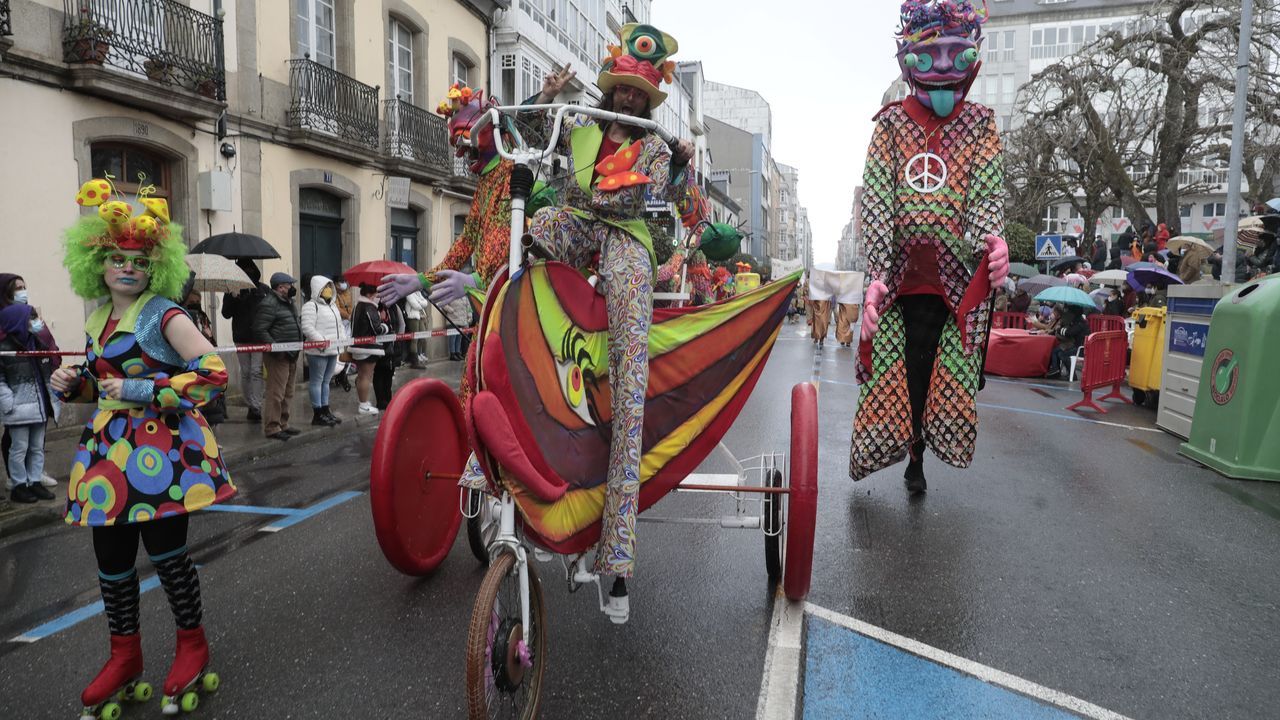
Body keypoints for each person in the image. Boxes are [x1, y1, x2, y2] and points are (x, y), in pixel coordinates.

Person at [521, 23, 694, 585]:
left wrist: (682, 162)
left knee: (629, 373)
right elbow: (522, 134)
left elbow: (667, 201)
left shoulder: (651, 143)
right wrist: (546, 95)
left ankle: (617, 549)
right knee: (536, 226)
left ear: (647, 98)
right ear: (611, 88)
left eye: (638, 90)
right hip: (578, 226)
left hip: (625, 241)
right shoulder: (580, 127)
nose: (628, 95)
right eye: (621, 86)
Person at [53, 178, 234, 714]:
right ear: (98, 265)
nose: (127, 268)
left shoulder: (166, 315)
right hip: (109, 456)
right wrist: (77, 384)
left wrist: (139, 388)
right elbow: (98, 385)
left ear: (155, 266)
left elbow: (214, 374)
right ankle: (124, 656)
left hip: (163, 456)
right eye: (116, 258)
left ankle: (192, 645)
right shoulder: (97, 318)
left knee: (167, 555)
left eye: (138, 259)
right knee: (110, 558)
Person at [853, 0, 1010, 495]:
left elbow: (985, 195)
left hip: (956, 285)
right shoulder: (890, 126)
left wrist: (994, 244)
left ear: (973, 54)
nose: (942, 66)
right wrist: (877, 274)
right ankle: (908, 450)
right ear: (907, 57)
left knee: (941, 373)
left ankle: (920, 450)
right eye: (929, 54)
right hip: (901, 281)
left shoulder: (981, 124)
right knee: (902, 371)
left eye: (955, 53)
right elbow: (877, 201)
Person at [0, 272, 60, 492]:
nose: (22, 292)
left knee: (36, 444)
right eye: (17, 288)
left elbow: (48, 347)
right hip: (17, 402)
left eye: (24, 286)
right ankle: (17, 481)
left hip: (39, 396)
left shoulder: (30, 325)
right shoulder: (7, 336)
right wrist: (9, 404)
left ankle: (34, 479)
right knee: (18, 444)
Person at [253, 272, 303, 441]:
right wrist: (277, 348)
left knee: (288, 392)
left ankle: (283, 423)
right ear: (281, 287)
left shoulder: (288, 303)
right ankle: (272, 427)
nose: (292, 288)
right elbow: (260, 329)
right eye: (290, 285)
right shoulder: (269, 303)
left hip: (292, 354)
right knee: (276, 392)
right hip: (278, 356)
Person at [220, 259, 267, 422]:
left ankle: (256, 406)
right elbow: (226, 313)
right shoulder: (232, 289)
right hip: (241, 337)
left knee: (256, 371)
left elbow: (268, 311)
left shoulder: (262, 289)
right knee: (246, 372)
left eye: (250, 269)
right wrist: (235, 298)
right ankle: (250, 405)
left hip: (259, 338)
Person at [300, 275, 348, 427]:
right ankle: (317, 413)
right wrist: (322, 342)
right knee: (317, 381)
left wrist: (343, 341)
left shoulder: (332, 305)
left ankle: (326, 410)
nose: (328, 289)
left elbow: (339, 326)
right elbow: (307, 328)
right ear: (317, 289)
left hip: (333, 350)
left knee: (326, 381)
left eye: (329, 286)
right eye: (325, 287)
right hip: (318, 351)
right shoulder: (310, 306)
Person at [181, 287, 226, 426]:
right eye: (192, 301)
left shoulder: (203, 316)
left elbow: (210, 336)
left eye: (197, 301)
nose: (195, 303)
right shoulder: (183, 316)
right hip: (192, 360)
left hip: (207, 357)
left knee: (212, 399)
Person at [349, 283, 386, 416]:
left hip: (358, 347)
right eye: (376, 294)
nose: (377, 297)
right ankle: (363, 405)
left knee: (361, 376)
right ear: (370, 295)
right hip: (368, 348)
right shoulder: (369, 307)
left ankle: (363, 402)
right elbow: (377, 329)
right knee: (366, 376)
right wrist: (384, 325)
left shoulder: (357, 306)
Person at [1047, 305, 1088, 378]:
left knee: (1062, 353)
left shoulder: (1080, 323)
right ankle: (1056, 369)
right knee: (1056, 351)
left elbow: (1070, 332)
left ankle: (1072, 375)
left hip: (1081, 348)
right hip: (1075, 345)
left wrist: (1059, 329)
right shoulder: (1075, 321)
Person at [402, 289, 429, 368]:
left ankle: (418, 355)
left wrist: (420, 303)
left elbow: (426, 302)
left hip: (419, 316)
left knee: (422, 337)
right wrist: (421, 303)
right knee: (414, 339)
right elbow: (415, 305)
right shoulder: (408, 293)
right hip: (412, 317)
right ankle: (414, 361)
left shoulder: (418, 293)